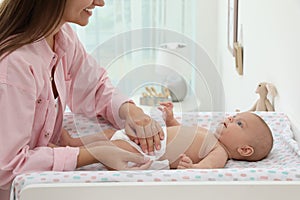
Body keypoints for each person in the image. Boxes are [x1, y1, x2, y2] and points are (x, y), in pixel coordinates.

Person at [0, 0, 164, 198]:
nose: (100, 3)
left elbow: (94, 87)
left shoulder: (61, 36)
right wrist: (91, 153)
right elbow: (7, 169)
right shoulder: (15, 65)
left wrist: (129, 111)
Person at [60, 101, 274, 170]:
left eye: (239, 123)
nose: (229, 118)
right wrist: (170, 118)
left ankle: (74, 156)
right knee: (109, 134)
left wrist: (191, 167)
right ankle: (73, 142)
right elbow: (178, 131)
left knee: (107, 150)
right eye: (234, 115)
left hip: (143, 153)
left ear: (245, 149)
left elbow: (205, 169)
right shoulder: (210, 136)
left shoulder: (219, 152)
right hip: (142, 140)